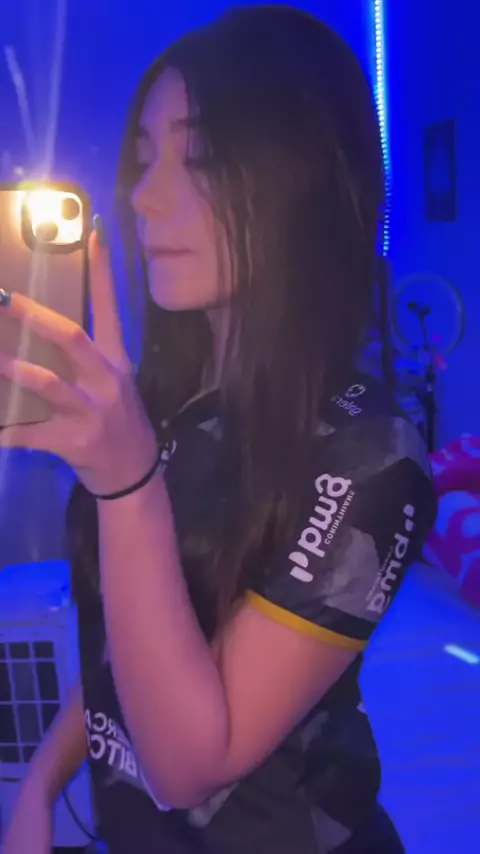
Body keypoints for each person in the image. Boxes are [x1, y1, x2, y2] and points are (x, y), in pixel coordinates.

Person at [2, 5, 437, 853]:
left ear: (303, 186)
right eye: (143, 160)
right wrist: (38, 785)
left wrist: (126, 485)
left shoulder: (371, 455)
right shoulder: (167, 399)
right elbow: (126, 639)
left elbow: (188, 768)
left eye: (198, 159)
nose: (143, 196)